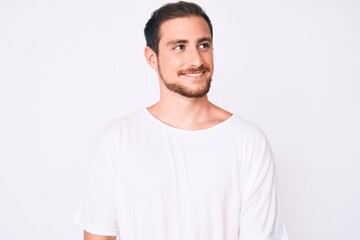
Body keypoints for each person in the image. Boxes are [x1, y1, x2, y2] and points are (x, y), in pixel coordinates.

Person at [73, 1, 289, 240]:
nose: (196, 60)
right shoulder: (117, 139)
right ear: (152, 58)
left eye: (203, 45)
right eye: (179, 47)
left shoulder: (248, 141)